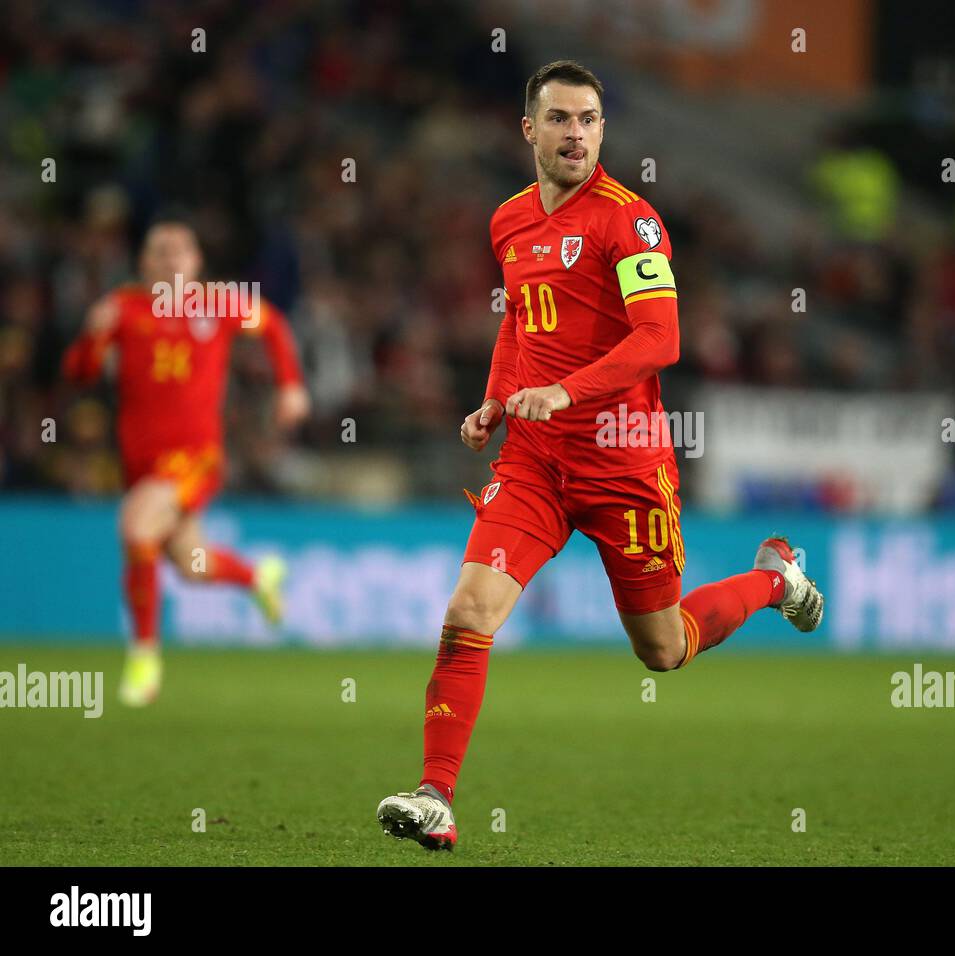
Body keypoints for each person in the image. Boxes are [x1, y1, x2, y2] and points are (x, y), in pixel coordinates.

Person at [376, 61, 824, 851]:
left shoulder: (631, 221)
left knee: (663, 649)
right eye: (559, 119)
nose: (575, 133)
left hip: (626, 463)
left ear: (603, 131)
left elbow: (662, 337)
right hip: (537, 462)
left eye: (588, 119)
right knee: (468, 612)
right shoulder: (508, 221)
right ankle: (436, 796)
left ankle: (774, 578)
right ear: (529, 130)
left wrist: (567, 391)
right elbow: (520, 322)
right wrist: (496, 396)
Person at [62, 220, 310, 706]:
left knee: (136, 527)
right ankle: (259, 577)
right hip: (141, 463)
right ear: (144, 264)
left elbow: (275, 326)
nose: (171, 259)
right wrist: (92, 337)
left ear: (196, 263)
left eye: (181, 251)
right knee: (190, 564)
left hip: (195, 457)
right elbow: (80, 375)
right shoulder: (122, 309)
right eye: (160, 252)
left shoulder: (217, 304)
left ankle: (144, 660)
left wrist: (290, 385)